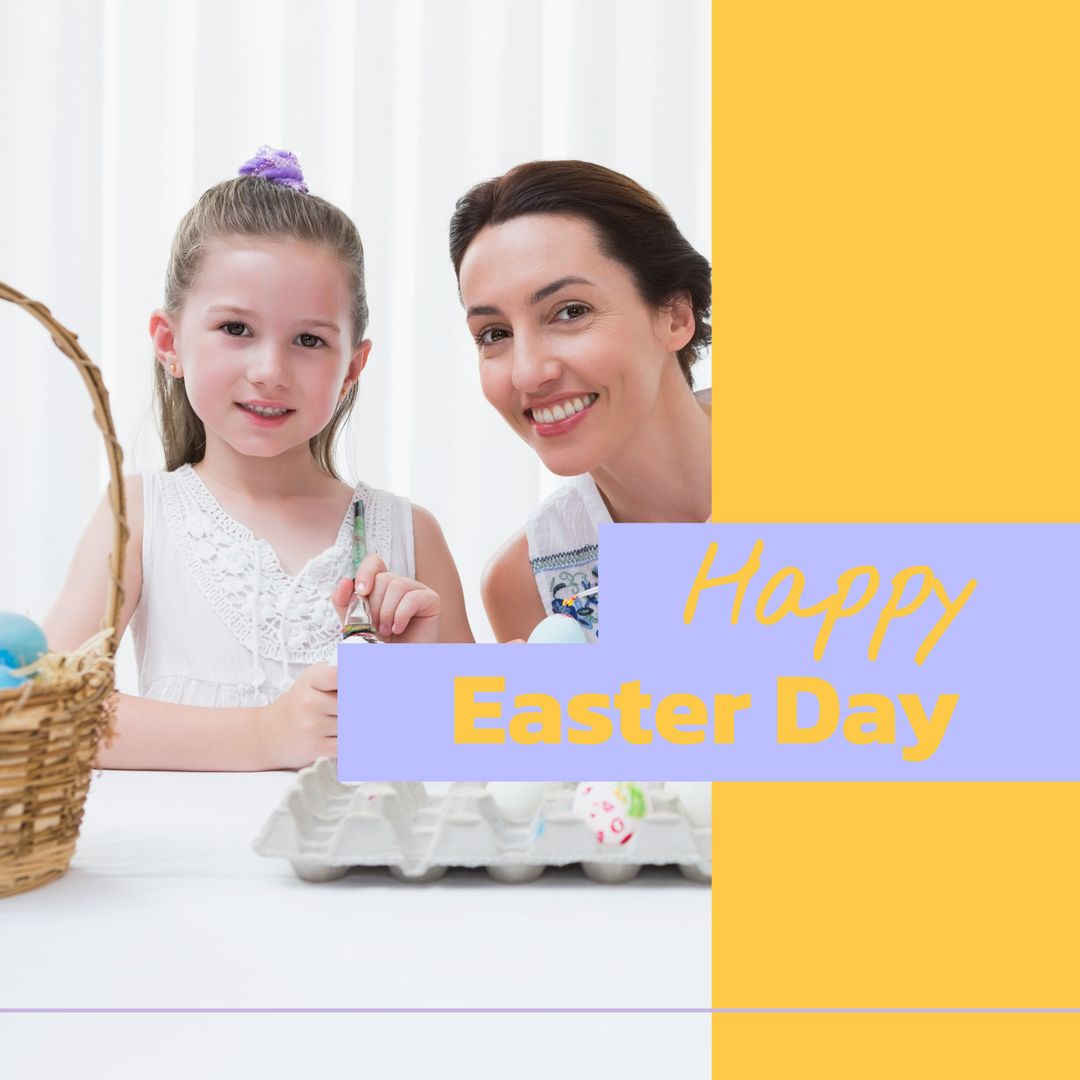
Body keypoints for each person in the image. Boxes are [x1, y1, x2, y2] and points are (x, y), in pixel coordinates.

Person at [45, 147, 473, 770]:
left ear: (353, 366)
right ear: (170, 342)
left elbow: (473, 746)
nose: (270, 371)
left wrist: (421, 676)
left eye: (309, 340)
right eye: (236, 329)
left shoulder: (411, 535)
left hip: (359, 865)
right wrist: (264, 735)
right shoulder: (138, 514)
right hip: (189, 867)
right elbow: (49, 708)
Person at [449, 160, 711, 642]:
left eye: (570, 312)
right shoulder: (526, 584)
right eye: (494, 333)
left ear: (675, 317)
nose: (528, 372)